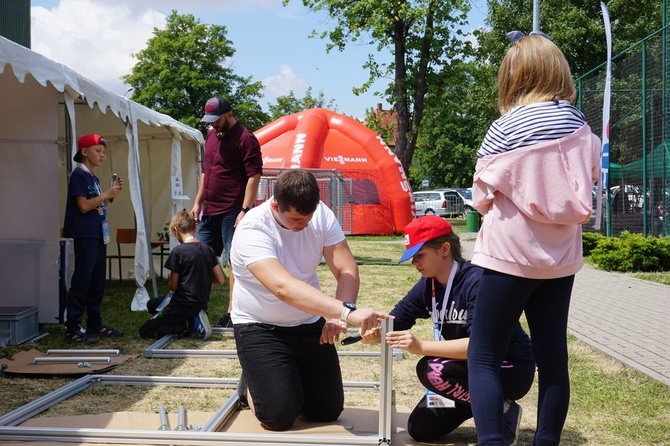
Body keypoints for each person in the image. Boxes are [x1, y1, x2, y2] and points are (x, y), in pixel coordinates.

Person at [468, 31, 601, 445]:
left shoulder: (504, 127)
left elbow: (481, 196)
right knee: (552, 359)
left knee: (485, 354)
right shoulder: (579, 124)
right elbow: (591, 173)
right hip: (560, 257)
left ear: (513, 76)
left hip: (509, 254)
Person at [230, 168, 389, 431]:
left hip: (308, 323)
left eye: (309, 216)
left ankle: (280, 378)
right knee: (278, 417)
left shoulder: (322, 215)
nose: (303, 224)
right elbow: (283, 288)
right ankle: (253, 381)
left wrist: (340, 313)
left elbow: (346, 268)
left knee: (326, 411)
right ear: (275, 204)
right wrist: (347, 313)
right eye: (295, 218)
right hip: (260, 327)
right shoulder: (252, 229)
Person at [360, 216, 535, 444]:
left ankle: (502, 410)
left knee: (433, 370)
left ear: (444, 249)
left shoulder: (478, 280)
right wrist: (378, 333)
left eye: (419, 255)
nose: (414, 263)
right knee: (420, 428)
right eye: (412, 257)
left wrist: (421, 346)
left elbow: (479, 347)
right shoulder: (429, 284)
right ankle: (475, 404)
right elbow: (398, 319)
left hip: (508, 368)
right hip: (466, 373)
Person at [191, 96, 263, 327]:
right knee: (200, 258)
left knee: (236, 263)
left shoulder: (246, 139)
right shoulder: (211, 136)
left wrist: (245, 209)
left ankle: (233, 313)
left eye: (216, 119)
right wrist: (197, 202)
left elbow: (254, 175)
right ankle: (197, 310)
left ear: (230, 115)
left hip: (232, 210)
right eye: (209, 120)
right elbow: (205, 172)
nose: (212, 124)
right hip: (209, 211)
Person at [62, 134, 123, 344]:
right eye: (98, 151)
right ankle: (72, 328)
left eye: (103, 152)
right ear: (84, 151)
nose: (102, 155)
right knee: (83, 280)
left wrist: (110, 194)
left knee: (97, 281)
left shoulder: (93, 178)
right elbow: (83, 206)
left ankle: (95, 324)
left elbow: (97, 205)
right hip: (85, 233)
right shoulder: (78, 175)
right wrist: (106, 194)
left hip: (97, 233)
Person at [139, 211, 225, 339]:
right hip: (201, 302)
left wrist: (172, 280)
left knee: (145, 330)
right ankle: (192, 318)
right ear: (195, 227)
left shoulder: (178, 252)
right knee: (152, 304)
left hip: (182, 303)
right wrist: (202, 277)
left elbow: (173, 287)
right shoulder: (207, 249)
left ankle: (185, 327)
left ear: (175, 230)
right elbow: (220, 279)